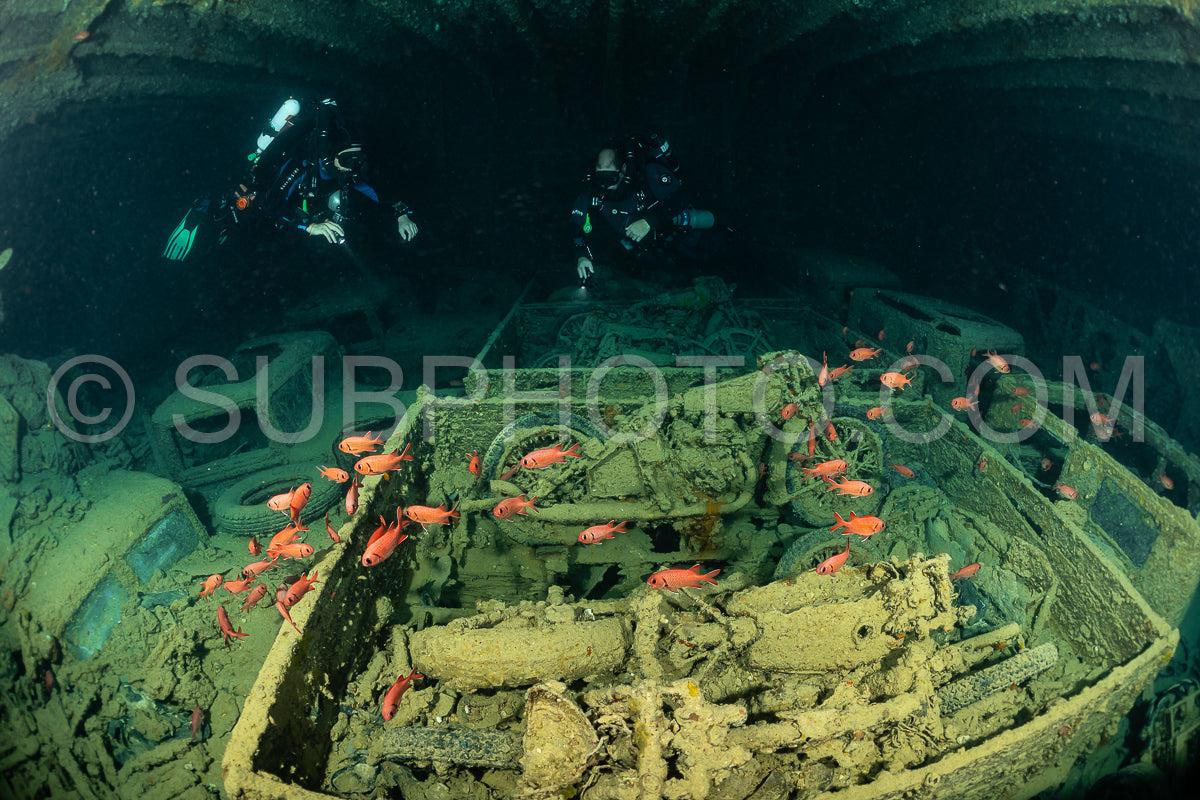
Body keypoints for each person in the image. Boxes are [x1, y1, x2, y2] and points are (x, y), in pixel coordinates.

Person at [164, 97, 418, 261]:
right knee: (239, 211)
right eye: (348, 160)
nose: (354, 168)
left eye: (358, 160)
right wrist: (308, 226)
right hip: (261, 192)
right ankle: (200, 211)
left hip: (290, 204)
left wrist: (401, 213)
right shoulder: (301, 165)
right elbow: (272, 206)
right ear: (329, 158)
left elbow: (376, 190)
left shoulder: (345, 170)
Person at [570, 135, 724, 285]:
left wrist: (650, 221)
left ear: (623, 169)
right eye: (600, 179)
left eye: (610, 179)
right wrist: (582, 256)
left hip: (677, 236)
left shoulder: (648, 172)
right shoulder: (592, 192)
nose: (604, 186)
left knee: (706, 257)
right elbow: (578, 226)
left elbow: (679, 199)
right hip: (642, 252)